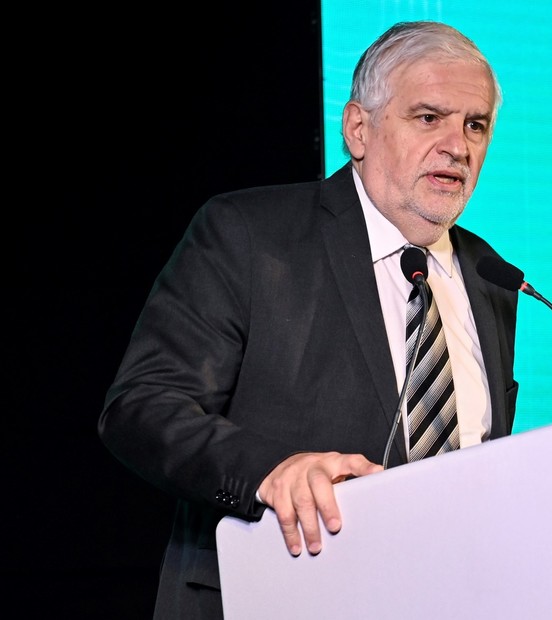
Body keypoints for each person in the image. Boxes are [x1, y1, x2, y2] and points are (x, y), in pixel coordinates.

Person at [98, 21, 519, 619]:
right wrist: (269, 471)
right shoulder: (251, 235)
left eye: (475, 125)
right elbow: (142, 407)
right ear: (358, 129)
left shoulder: (490, 277)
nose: (458, 145)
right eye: (429, 118)